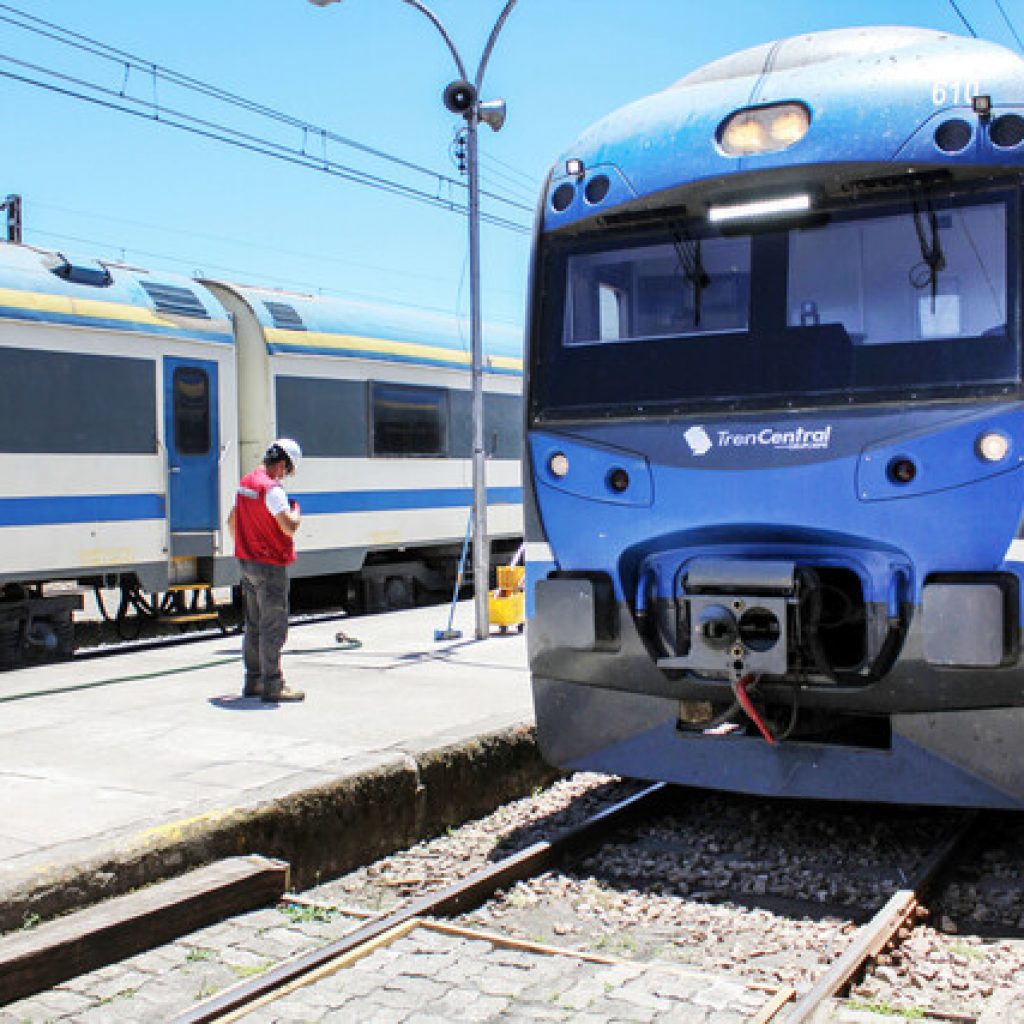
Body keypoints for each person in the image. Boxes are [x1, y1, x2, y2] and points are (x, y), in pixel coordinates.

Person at [226, 438, 305, 703]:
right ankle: (274, 685)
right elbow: (288, 527)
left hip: (246, 563)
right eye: (288, 470)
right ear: (281, 464)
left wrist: (246, 544)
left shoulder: (246, 483)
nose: (286, 476)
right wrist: (296, 511)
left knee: (254, 625)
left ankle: (253, 681)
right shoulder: (273, 491)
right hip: (270, 566)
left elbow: (232, 522)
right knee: (273, 626)